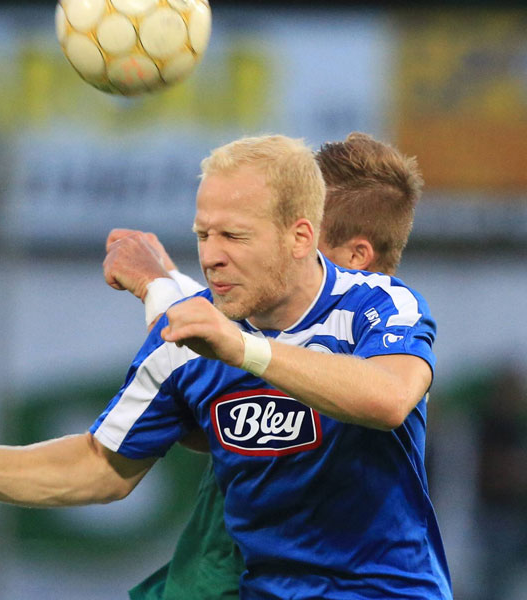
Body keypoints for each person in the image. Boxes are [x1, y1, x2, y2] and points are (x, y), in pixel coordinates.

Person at [0, 134, 451, 599]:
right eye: (203, 234)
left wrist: (240, 349)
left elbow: (388, 399)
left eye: (234, 237)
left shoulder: (377, 305)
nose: (211, 256)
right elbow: (102, 466)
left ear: (299, 236)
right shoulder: (184, 339)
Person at [101, 131, 427, 599]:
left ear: (355, 255)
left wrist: (162, 287)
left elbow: (229, 392)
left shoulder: (373, 347)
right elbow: (209, 402)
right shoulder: (279, 328)